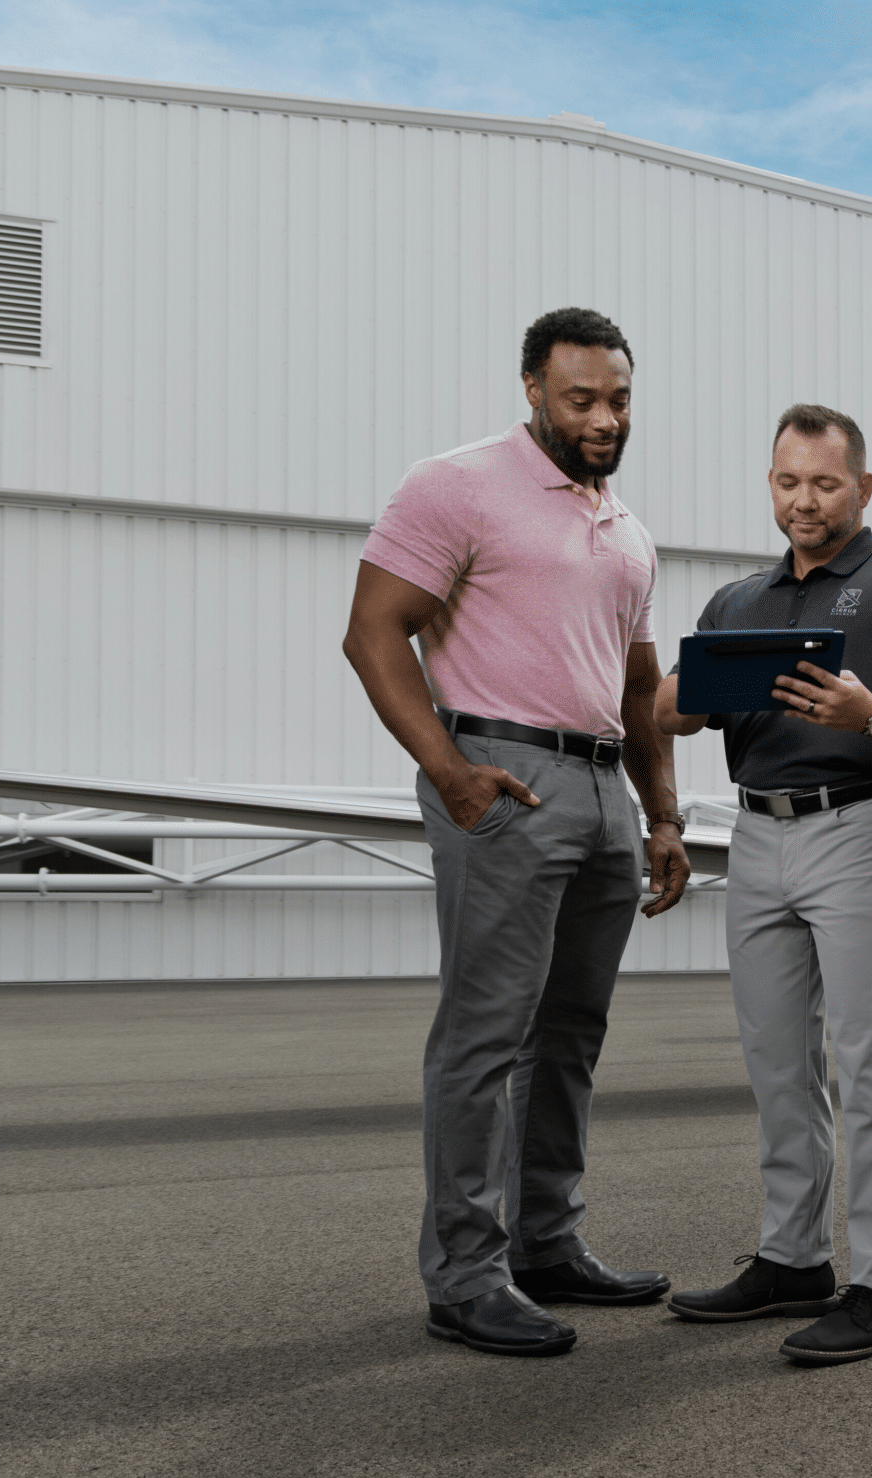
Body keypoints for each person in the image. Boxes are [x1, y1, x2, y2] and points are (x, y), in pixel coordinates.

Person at [342, 307, 691, 1358]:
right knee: (485, 1035)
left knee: (570, 1036)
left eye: (618, 399)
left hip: (600, 790)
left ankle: (546, 1243)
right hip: (503, 775)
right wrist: (446, 771)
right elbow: (371, 631)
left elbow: (636, 689)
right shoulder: (455, 484)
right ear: (533, 389)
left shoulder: (626, 529)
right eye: (580, 398)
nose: (602, 417)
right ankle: (463, 1272)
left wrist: (663, 812)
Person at [656, 404, 872, 1365]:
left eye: (825, 484)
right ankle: (793, 1261)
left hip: (859, 826)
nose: (805, 501)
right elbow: (667, 711)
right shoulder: (737, 603)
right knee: (777, 1061)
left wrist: (870, 714)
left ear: (862, 489)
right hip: (754, 836)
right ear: (771, 484)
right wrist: (687, 687)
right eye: (789, 482)